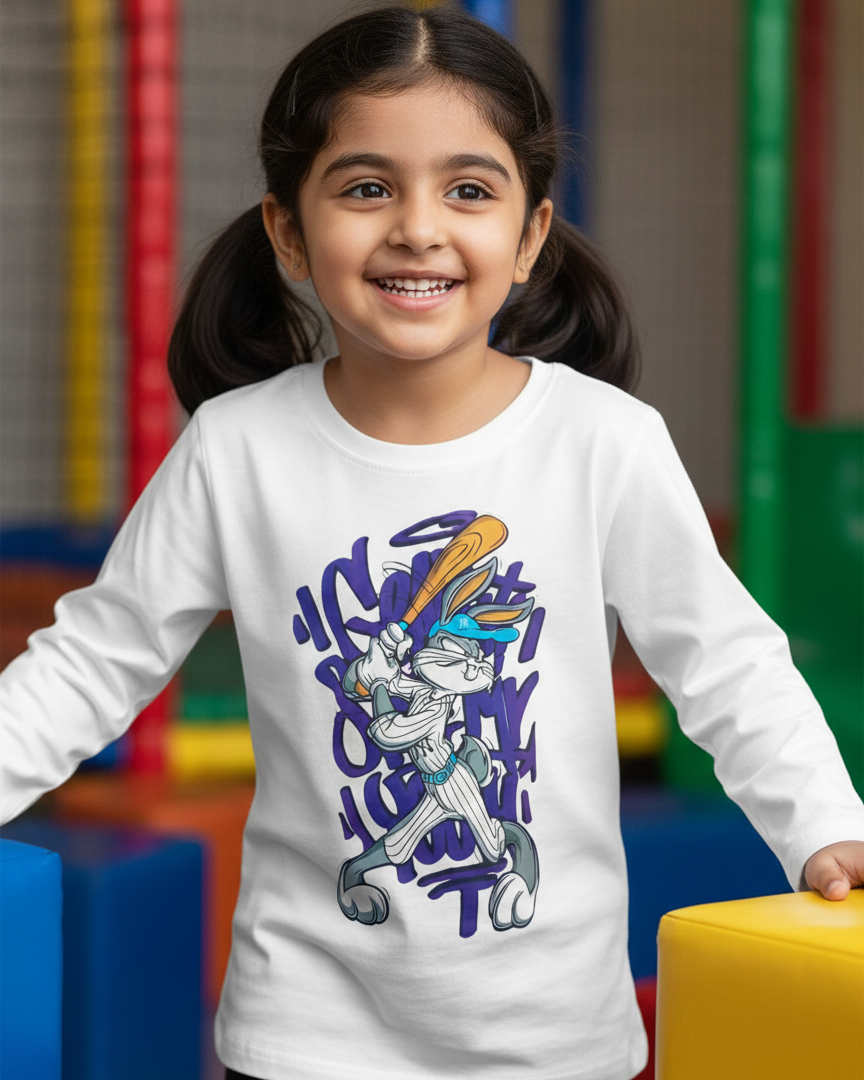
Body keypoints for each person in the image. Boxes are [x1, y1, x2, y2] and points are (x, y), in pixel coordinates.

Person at [2, 6, 862, 1079]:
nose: (417, 227)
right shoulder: (238, 449)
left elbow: (724, 663)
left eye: (468, 189)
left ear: (531, 235)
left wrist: (826, 825)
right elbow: (97, 656)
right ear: (287, 231)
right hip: (305, 1034)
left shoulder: (602, 442)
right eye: (367, 188)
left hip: (553, 1042)